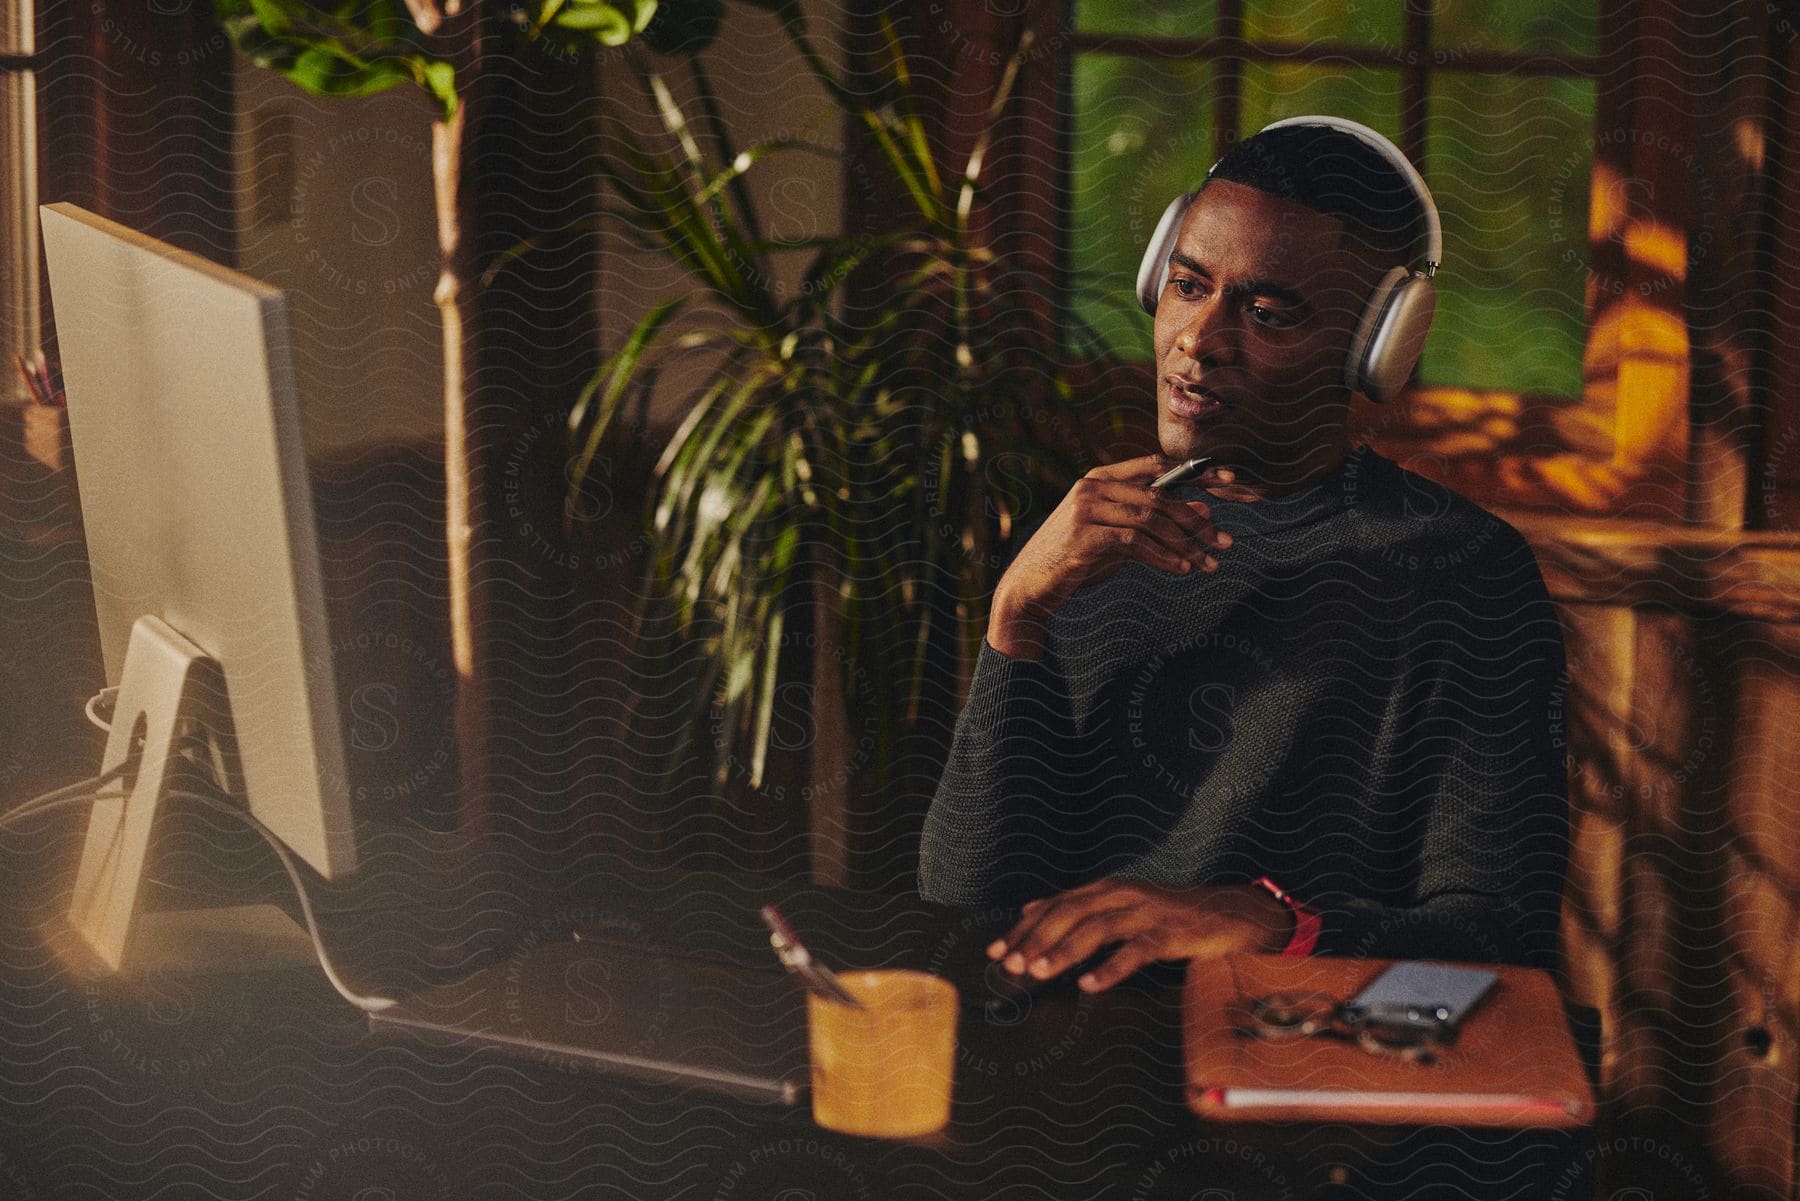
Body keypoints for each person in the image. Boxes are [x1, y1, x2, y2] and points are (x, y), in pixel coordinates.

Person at [918, 119, 1568, 994]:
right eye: (1188, 285)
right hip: (1085, 1063)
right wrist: (1014, 618)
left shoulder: (1463, 573)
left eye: (1265, 314)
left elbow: (1501, 941)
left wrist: (1276, 925)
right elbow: (968, 900)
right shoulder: (1087, 545)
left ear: (1377, 345)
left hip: (1307, 1079)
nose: (1198, 339)